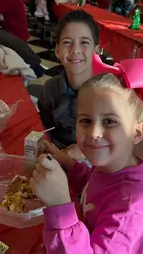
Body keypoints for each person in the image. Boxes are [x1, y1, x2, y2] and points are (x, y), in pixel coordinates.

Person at [30, 55, 143, 254]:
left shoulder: (130, 206)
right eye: (85, 120)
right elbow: (94, 185)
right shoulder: (109, 166)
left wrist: (61, 208)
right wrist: (69, 164)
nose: (93, 133)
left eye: (110, 121)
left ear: (137, 132)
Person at [38, 10, 99, 150]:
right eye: (67, 42)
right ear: (57, 51)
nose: (75, 50)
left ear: (96, 51)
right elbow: (45, 131)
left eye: (84, 42)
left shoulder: (109, 93)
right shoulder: (50, 90)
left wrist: (84, 151)